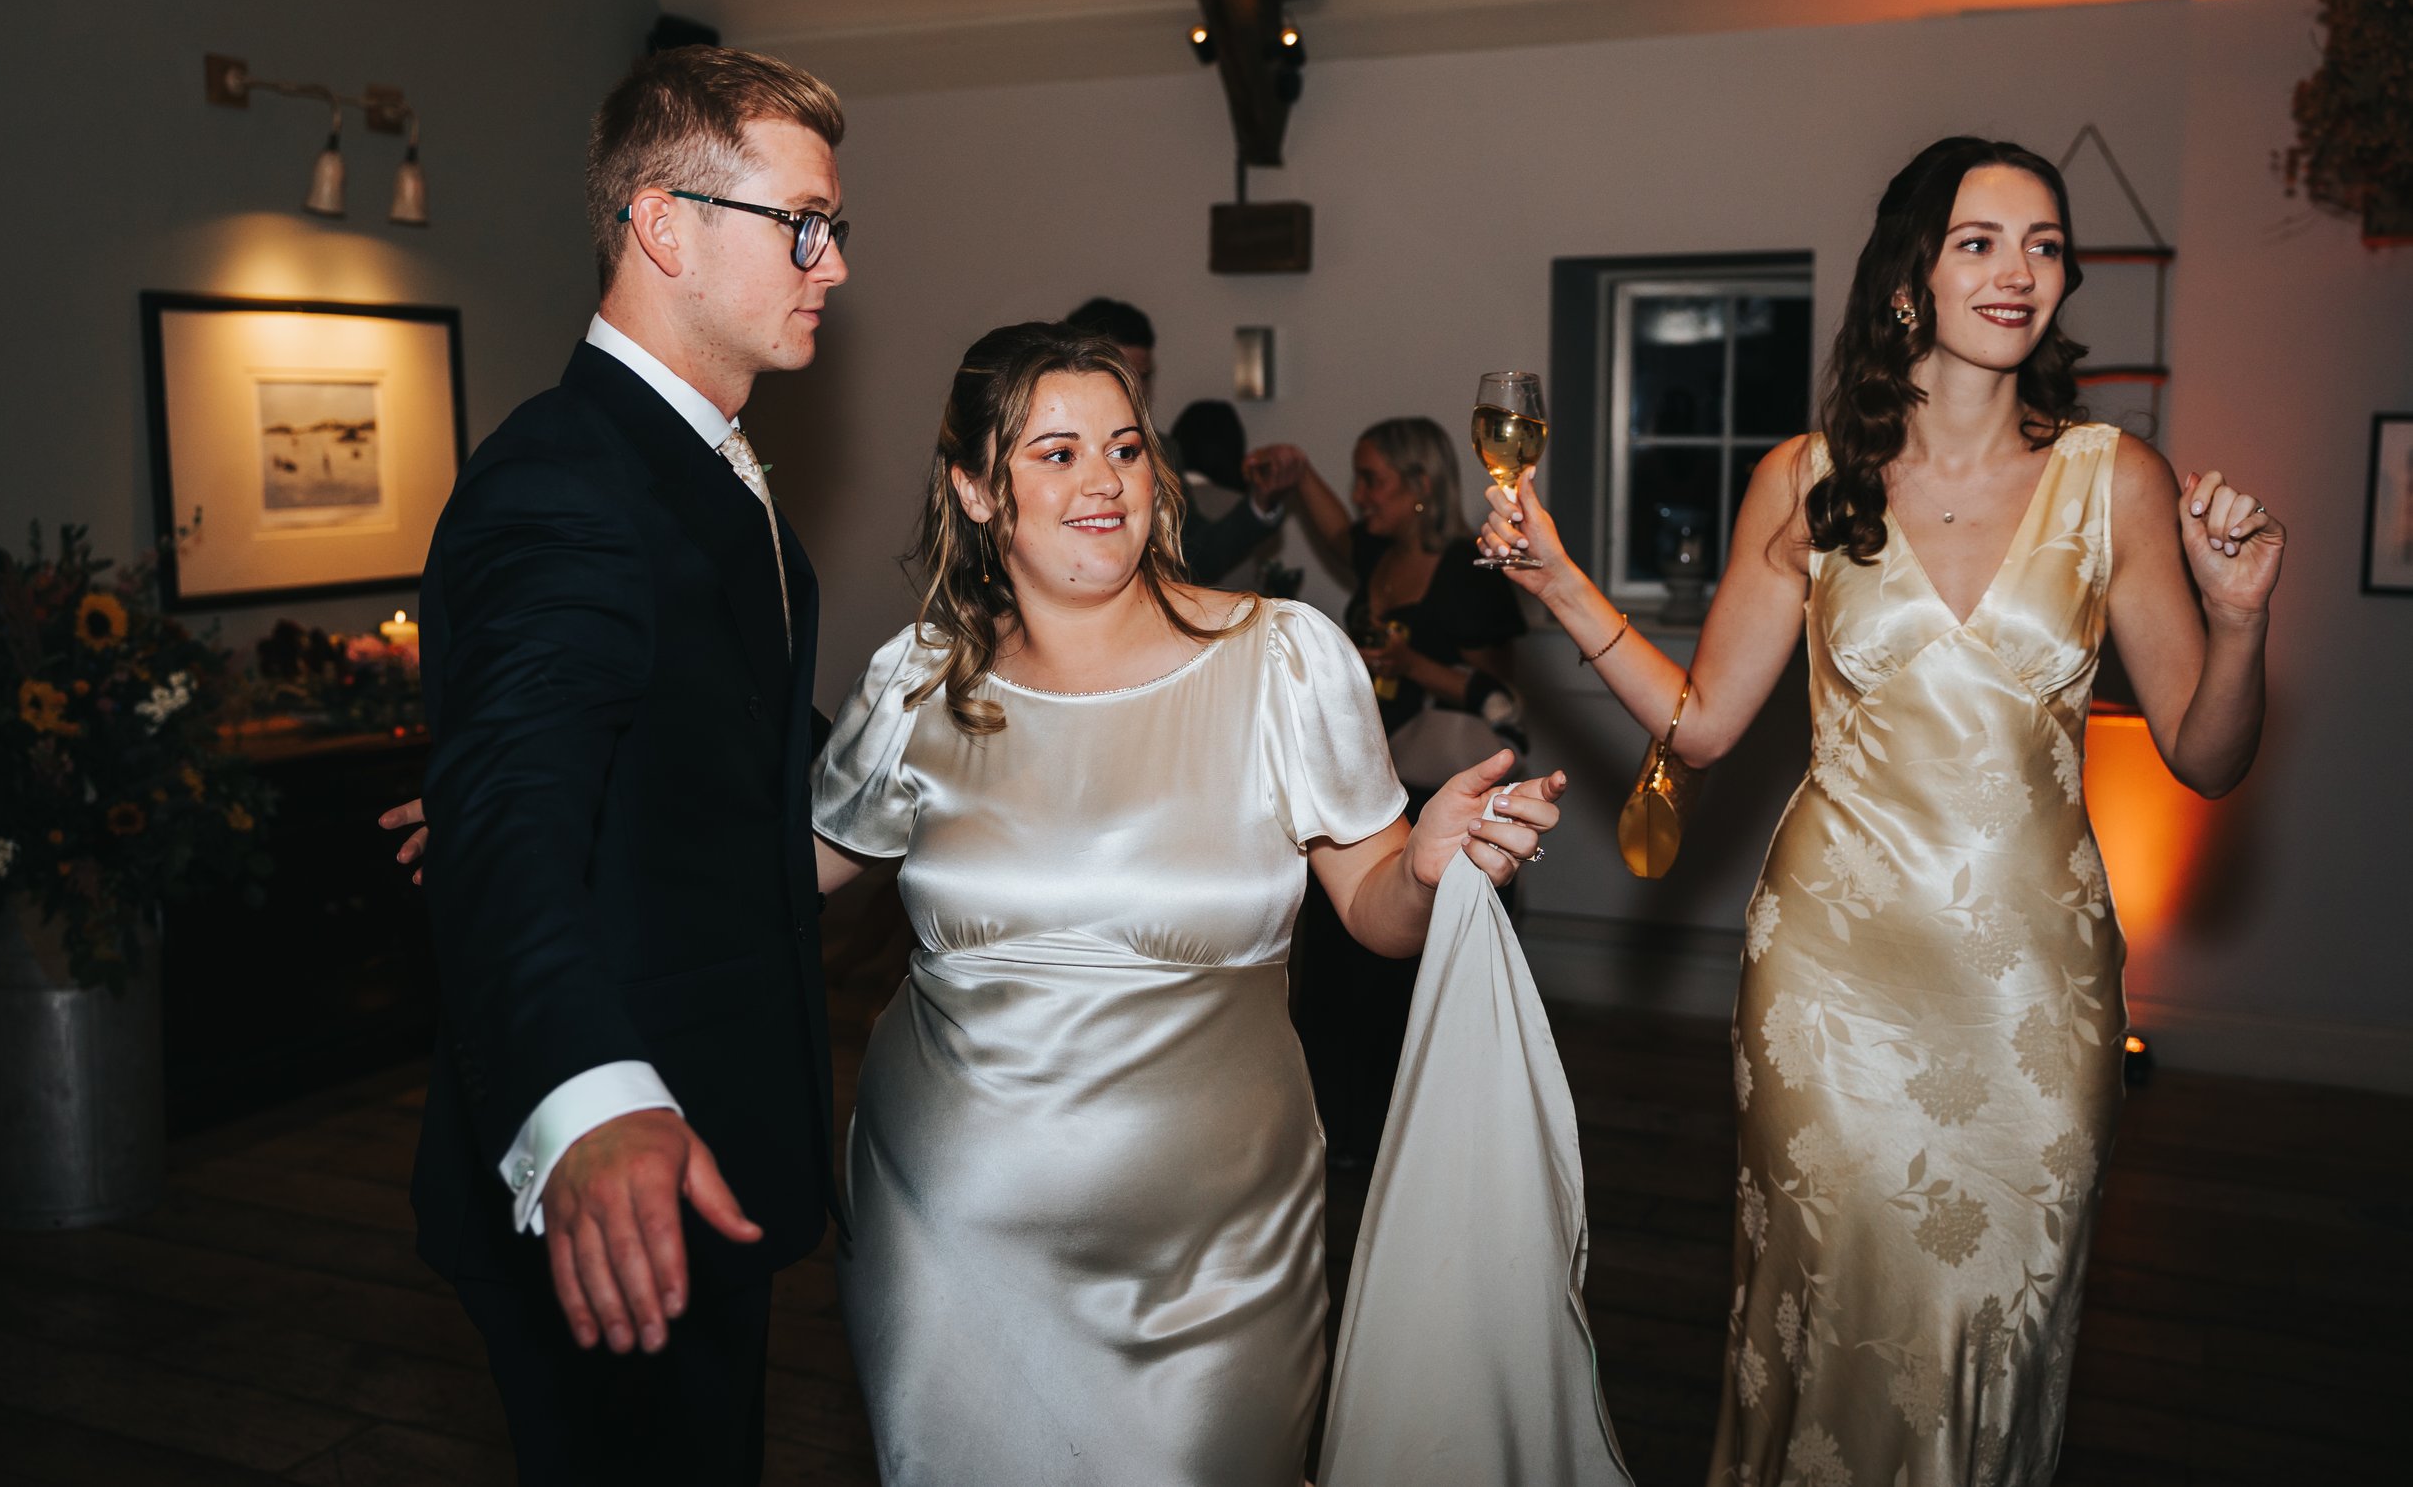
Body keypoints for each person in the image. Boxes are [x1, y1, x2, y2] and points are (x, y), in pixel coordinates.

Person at [1477, 137, 2284, 1487]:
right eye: (1980, 240)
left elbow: (2209, 753)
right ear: (1912, 273)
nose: (2018, 271)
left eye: (2042, 243)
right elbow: (1704, 723)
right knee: (1827, 1312)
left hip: (2034, 990)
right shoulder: (1806, 479)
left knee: (1998, 1319)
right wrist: (1560, 585)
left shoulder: (2115, 478)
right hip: (1833, 981)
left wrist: (2243, 622)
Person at [806, 322, 1572, 1483]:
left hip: (1217, 1240)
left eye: (1122, 446)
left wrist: (1424, 865)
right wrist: (555, 834)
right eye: (1054, 453)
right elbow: (768, 878)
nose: (1102, 480)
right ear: (972, 486)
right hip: (949, 1224)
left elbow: (1369, 904)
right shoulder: (917, 681)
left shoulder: (1279, 658)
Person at [399, 46, 850, 1484]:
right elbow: (514, 813)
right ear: (664, 224)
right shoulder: (567, 477)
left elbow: (729, 750)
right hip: (622, 1173)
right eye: (803, 223)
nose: (831, 264)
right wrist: (590, 1094)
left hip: (714, 1137)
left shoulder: (702, 471)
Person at [1251, 419, 1528, 1163]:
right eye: (1355, 476)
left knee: (1416, 982)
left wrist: (1413, 662)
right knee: (1344, 971)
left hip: (1439, 795)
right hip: (1358, 787)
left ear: (1420, 488)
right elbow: (1335, 525)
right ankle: (1341, 1131)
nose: (1358, 493)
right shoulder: (1377, 554)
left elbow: (1504, 694)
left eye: (1372, 478)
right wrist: (1298, 468)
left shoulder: (1472, 572)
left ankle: (1426, 1143)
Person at [1064, 296, 1288, 583]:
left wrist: (1260, 503)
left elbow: (1193, 557)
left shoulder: (1162, 450)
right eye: (1120, 377)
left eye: (1143, 378)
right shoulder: (1040, 450)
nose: (1136, 392)